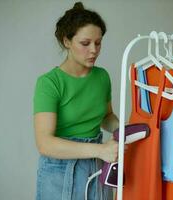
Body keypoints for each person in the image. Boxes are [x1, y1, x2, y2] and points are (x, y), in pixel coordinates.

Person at [33, 2, 119, 199]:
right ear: (67, 41)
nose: (94, 50)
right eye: (85, 43)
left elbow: (106, 116)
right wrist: (100, 150)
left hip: (97, 162)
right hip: (61, 168)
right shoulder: (49, 83)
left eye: (98, 43)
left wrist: (122, 129)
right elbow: (45, 143)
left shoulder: (101, 77)